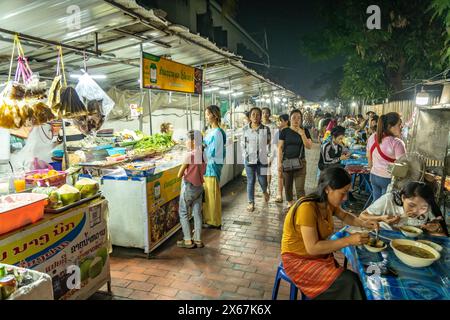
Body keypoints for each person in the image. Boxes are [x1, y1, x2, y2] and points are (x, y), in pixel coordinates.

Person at [281, 167, 378, 300]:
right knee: (349, 281)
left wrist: (364, 223)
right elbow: (312, 248)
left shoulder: (328, 203)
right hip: (297, 260)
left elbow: (345, 216)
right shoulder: (307, 208)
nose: (345, 198)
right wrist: (349, 240)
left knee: (350, 280)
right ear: (327, 189)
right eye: (342, 193)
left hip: (317, 257)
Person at [360, 181, 448, 236]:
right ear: (403, 198)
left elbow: (442, 235)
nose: (415, 211)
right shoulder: (389, 200)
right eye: (411, 205)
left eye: (423, 208)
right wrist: (380, 218)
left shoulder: (429, 207)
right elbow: (362, 216)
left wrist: (436, 229)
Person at [177, 130, 207, 248]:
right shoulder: (203, 154)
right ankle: (198, 240)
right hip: (199, 187)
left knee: (183, 212)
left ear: (194, 142)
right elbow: (203, 170)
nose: (185, 142)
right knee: (197, 213)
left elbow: (179, 174)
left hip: (189, 187)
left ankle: (188, 240)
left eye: (187, 140)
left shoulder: (190, 155)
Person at [367, 112, 406, 202]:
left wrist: (371, 168)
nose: (402, 127)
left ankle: (372, 215)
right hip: (387, 179)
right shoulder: (397, 143)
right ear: (389, 126)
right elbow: (402, 167)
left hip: (373, 176)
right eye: (399, 125)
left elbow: (369, 156)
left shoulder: (373, 137)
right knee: (385, 206)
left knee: (376, 203)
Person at [278, 109, 313, 208]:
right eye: (294, 118)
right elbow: (280, 148)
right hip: (286, 162)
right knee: (287, 186)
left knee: (300, 188)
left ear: (301, 120)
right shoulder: (285, 131)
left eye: (299, 118)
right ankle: (290, 203)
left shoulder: (305, 131)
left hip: (300, 162)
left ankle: (301, 207)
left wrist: (302, 134)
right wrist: (279, 163)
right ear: (290, 119)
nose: (296, 120)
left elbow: (309, 146)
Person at [241, 107, 271, 212]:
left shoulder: (265, 129)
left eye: (257, 114)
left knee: (262, 179)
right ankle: (251, 202)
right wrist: (246, 154)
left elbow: (268, 141)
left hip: (262, 159)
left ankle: (264, 191)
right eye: (253, 114)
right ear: (250, 116)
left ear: (260, 116)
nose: (255, 116)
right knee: (251, 181)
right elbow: (242, 144)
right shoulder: (245, 129)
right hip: (249, 159)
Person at [203, 105, 226, 229]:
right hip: (207, 167)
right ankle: (209, 218)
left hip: (212, 167)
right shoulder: (210, 131)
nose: (206, 117)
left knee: (212, 195)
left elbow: (214, 152)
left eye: (208, 114)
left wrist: (202, 149)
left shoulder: (217, 132)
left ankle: (215, 221)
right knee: (208, 195)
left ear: (215, 115)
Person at [262, 107, 278, 195]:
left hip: (271, 149)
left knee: (268, 168)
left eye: (267, 113)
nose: (265, 114)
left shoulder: (273, 125)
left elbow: (276, 138)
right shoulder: (258, 125)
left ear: (269, 114)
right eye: (263, 113)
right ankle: (264, 186)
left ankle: (267, 186)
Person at [274, 114, 290, 203]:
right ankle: (279, 193)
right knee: (280, 174)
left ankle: (288, 196)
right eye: (278, 121)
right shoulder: (278, 132)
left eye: (281, 121)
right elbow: (276, 145)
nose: (279, 123)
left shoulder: (291, 131)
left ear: (286, 121)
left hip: (289, 157)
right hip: (280, 156)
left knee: (288, 176)